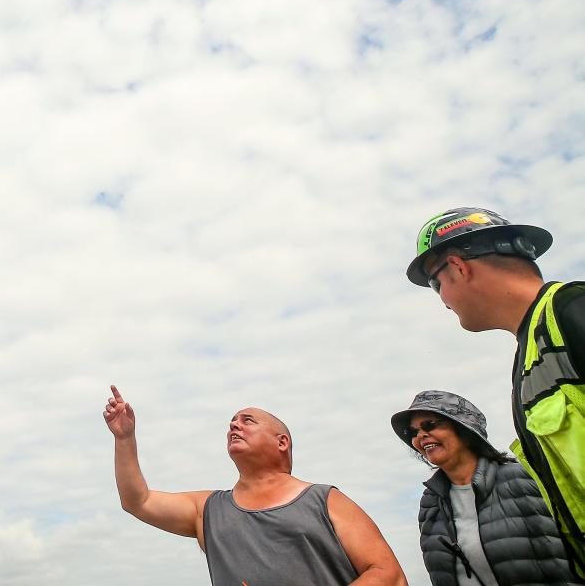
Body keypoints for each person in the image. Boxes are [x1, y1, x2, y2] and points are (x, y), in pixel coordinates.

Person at [407, 208, 585, 571]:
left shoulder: (572, 310)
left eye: (435, 283)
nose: (441, 299)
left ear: (458, 267)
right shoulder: (532, 353)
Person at [103, 385, 407, 585]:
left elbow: (387, 575)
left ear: (282, 442)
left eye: (247, 420)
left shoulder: (324, 500)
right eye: (232, 422)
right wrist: (124, 438)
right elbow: (137, 501)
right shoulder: (208, 509)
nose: (234, 425)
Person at [391, 389, 577, 586]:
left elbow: (563, 553)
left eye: (429, 425)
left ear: (463, 429)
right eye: (413, 432)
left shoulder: (520, 478)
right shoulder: (430, 502)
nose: (421, 435)